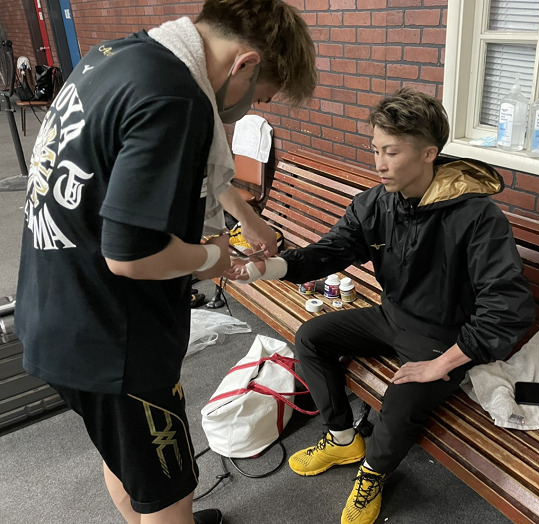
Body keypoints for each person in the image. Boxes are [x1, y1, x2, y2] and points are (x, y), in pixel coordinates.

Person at [14, 1, 316, 523]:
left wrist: (247, 217)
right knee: (168, 488)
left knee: (128, 457)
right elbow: (131, 256)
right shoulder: (177, 97)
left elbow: (168, 172)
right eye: (259, 97)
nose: (248, 109)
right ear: (244, 64)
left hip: (54, 309)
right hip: (115, 338)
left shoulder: (119, 57)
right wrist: (212, 257)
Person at [228, 87, 536, 524]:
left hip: (442, 336)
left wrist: (443, 363)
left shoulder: (477, 217)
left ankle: (373, 473)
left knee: (402, 399)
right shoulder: (376, 203)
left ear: (429, 153)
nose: (378, 163)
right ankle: (342, 439)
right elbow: (330, 251)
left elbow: (508, 307)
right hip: (392, 316)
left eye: (391, 152)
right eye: (375, 149)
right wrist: (268, 267)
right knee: (311, 337)